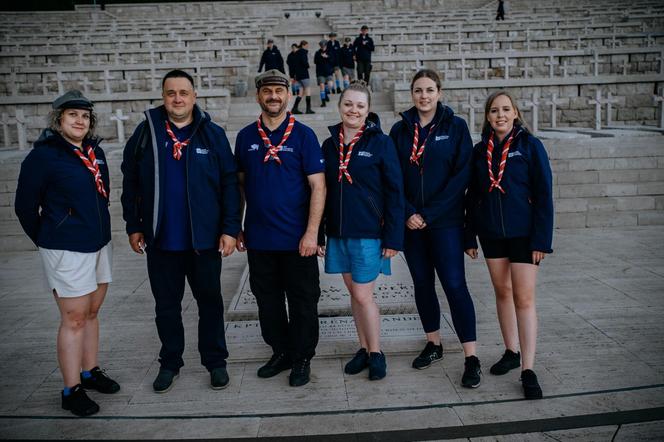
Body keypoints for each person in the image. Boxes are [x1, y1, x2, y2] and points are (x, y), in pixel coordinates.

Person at [121, 69, 241, 394]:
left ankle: (215, 362)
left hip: (203, 241)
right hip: (162, 241)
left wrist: (230, 228)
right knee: (166, 307)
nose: (177, 98)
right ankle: (170, 363)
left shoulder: (211, 134)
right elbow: (129, 181)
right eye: (171, 93)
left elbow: (230, 184)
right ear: (164, 97)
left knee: (210, 304)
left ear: (194, 97)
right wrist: (134, 225)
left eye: (183, 93)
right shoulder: (146, 132)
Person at [15, 90, 119, 416]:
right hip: (67, 249)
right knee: (73, 318)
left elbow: (104, 194)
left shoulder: (95, 152)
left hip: (99, 243)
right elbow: (24, 207)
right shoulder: (43, 157)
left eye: (85, 116)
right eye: (72, 115)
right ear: (58, 119)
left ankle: (90, 371)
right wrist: (50, 237)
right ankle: (70, 388)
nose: (79, 120)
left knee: (91, 313)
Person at [389, 69, 481, 388]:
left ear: (439, 92)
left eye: (429, 90)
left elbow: (462, 177)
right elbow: (393, 178)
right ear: (411, 94)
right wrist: (410, 213)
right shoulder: (400, 130)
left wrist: (430, 213)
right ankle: (434, 344)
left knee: (455, 285)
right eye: (418, 90)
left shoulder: (456, 127)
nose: (424, 96)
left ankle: (471, 357)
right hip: (412, 224)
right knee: (422, 284)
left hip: (446, 223)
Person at [234, 69, 326, 387]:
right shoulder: (246, 137)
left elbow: (318, 186)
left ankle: (302, 357)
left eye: (279, 91)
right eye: (267, 91)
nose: (273, 96)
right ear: (258, 95)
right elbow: (241, 185)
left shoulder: (304, 135)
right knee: (267, 301)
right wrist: (238, 225)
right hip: (260, 239)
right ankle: (281, 351)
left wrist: (312, 233)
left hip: (298, 240)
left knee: (303, 302)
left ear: (290, 95)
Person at [464, 90, 554, 399]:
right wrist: (469, 235)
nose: (500, 115)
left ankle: (528, 369)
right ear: (487, 117)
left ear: (515, 113)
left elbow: (544, 195)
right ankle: (510, 351)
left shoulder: (530, 146)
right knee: (502, 292)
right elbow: (472, 197)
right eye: (494, 111)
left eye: (506, 109)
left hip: (525, 235)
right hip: (491, 234)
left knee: (524, 299)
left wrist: (542, 239)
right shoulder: (479, 152)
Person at [321, 81, 405, 381]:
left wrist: (394, 237)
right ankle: (363, 347)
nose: (353, 110)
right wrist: (320, 233)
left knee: (363, 294)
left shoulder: (380, 143)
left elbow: (395, 191)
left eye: (359, 105)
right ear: (340, 106)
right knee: (353, 296)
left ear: (368, 110)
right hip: (339, 233)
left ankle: (376, 351)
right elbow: (323, 192)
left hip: (370, 232)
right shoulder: (329, 144)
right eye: (348, 104)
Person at [291, 40, 315, 114]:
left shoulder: (296, 53)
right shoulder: (303, 52)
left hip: (298, 75)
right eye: (307, 45)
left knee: (301, 92)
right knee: (308, 90)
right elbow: (304, 62)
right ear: (304, 45)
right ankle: (308, 109)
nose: (307, 47)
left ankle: (294, 108)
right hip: (304, 74)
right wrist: (308, 65)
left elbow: (294, 65)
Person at [314, 39, 335, 107]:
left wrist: (327, 57)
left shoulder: (330, 52)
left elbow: (333, 61)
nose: (323, 47)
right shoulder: (317, 53)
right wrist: (321, 57)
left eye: (324, 46)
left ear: (326, 45)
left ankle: (326, 93)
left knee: (330, 85)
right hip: (320, 72)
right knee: (322, 86)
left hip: (328, 71)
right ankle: (323, 101)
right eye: (321, 46)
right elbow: (315, 61)